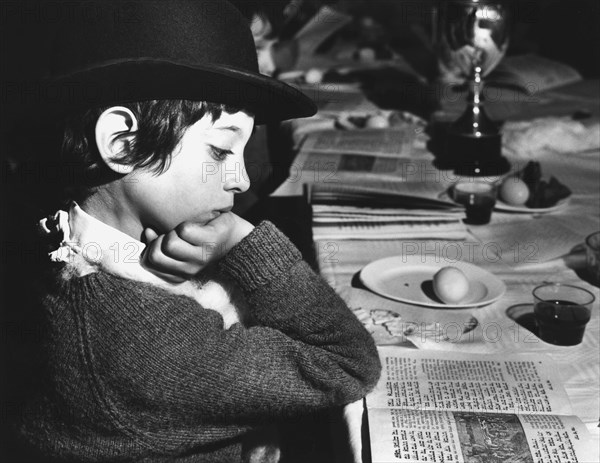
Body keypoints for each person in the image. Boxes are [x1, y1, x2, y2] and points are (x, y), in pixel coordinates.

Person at [11, 0, 381, 461]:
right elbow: (345, 364)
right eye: (222, 151)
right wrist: (245, 246)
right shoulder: (144, 343)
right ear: (122, 143)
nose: (242, 180)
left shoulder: (66, 244)